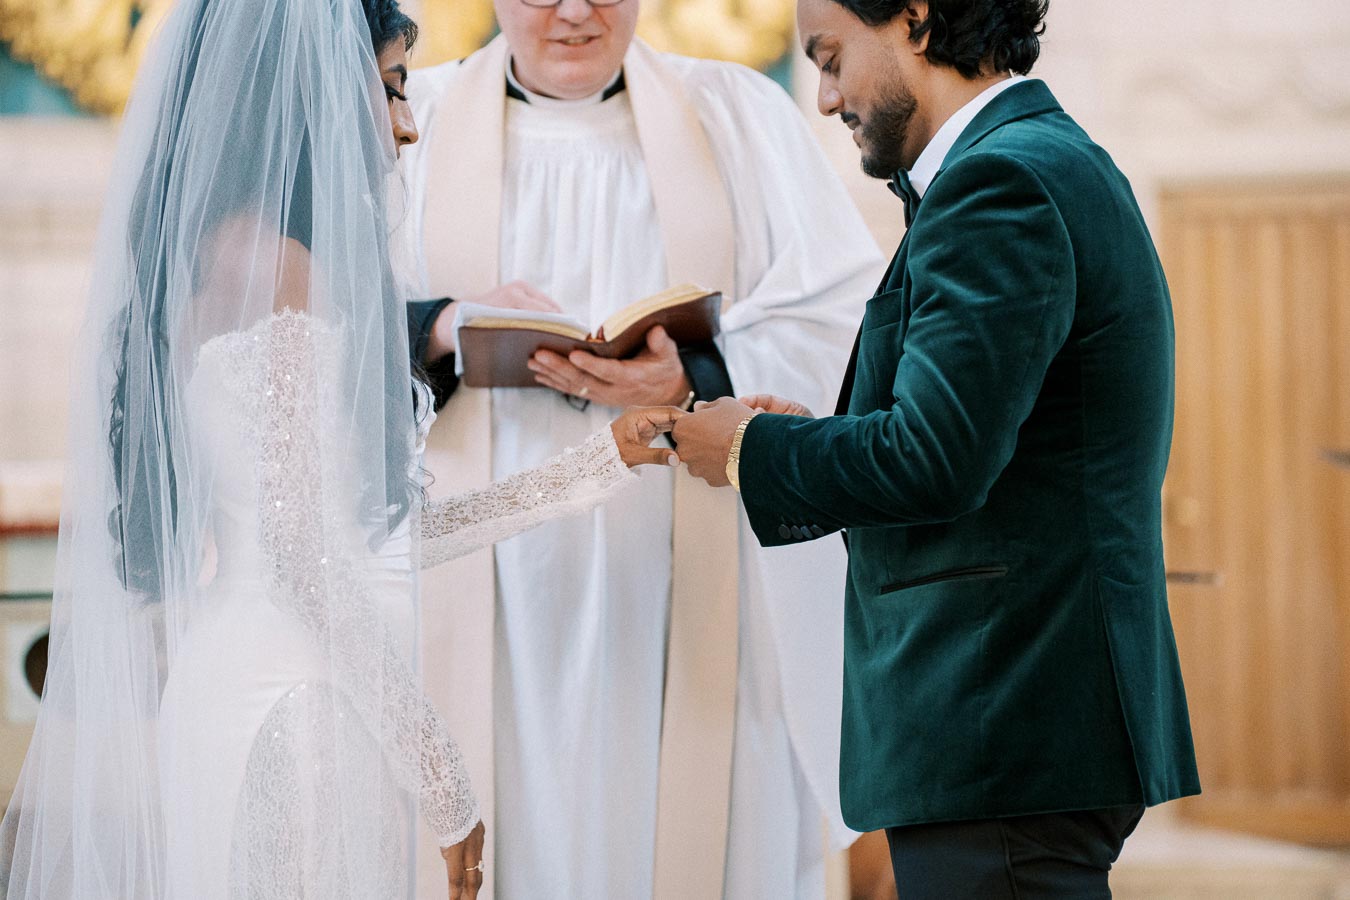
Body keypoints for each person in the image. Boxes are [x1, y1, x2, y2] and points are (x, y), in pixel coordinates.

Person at [0, 1, 681, 898]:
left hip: (284, 697)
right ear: (308, 90)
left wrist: (597, 467)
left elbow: (365, 542)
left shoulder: (229, 255)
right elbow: (304, 564)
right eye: (393, 89)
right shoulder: (278, 267)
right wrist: (445, 783)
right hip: (296, 715)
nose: (405, 125)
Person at [670, 0, 1201, 896]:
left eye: (832, 57)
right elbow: (978, 435)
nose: (829, 94)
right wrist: (799, 433)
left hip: (1003, 719)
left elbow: (936, 460)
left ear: (914, 18)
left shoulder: (1001, 185)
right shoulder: (1042, 162)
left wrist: (748, 448)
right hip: (1021, 729)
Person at [399, 2, 884, 897]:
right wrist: (441, 328)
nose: (577, 11)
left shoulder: (738, 113)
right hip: (484, 583)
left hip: (687, 579)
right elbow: (314, 332)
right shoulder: (407, 120)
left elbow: (850, 323)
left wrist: (698, 369)